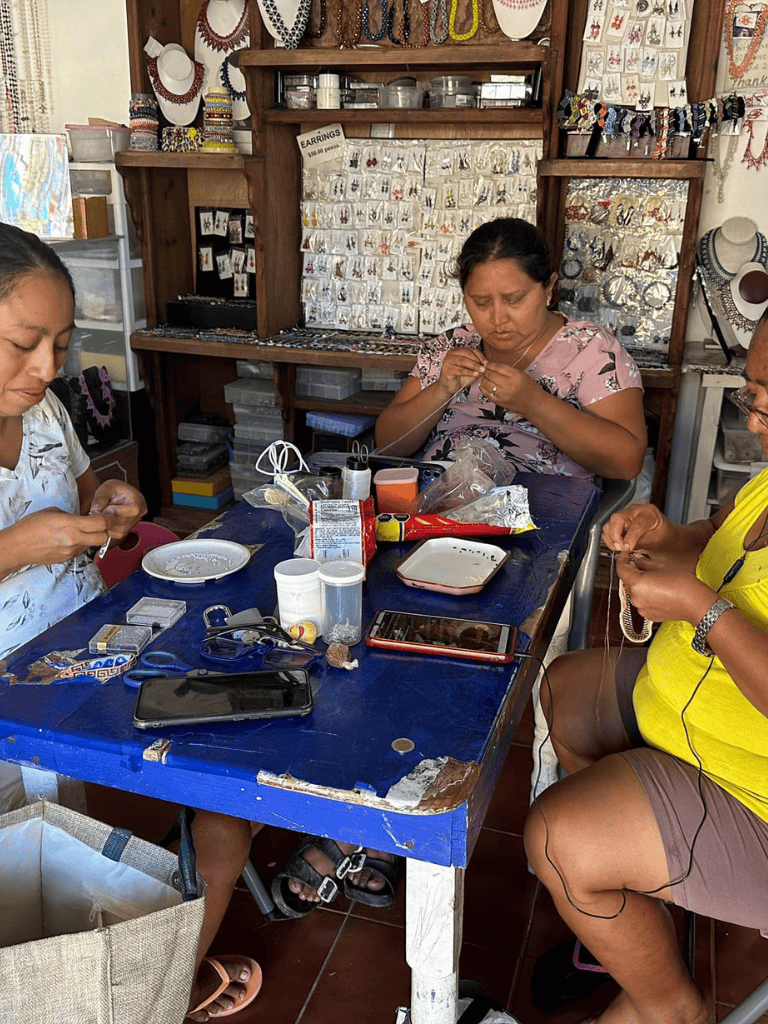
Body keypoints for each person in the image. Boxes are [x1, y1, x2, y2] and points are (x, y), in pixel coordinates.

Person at [0, 223, 259, 1022]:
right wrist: (12, 549)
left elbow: (82, 495)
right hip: (17, 696)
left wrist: (112, 505)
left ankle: (163, 980)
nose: (47, 368)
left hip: (97, 645)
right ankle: (123, 979)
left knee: (235, 773)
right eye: (22, 344)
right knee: (52, 863)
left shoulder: (43, 412)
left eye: (62, 344)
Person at [524, 309, 768, 1024]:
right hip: (692, 704)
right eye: (754, 393)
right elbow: (723, 546)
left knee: (556, 837)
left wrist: (699, 608)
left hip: (751, 788)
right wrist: (669, 535)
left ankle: (668, 1004)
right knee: (566, 689)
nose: (755, 421)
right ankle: (625, 909)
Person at [375, 217, 647, 481]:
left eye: (513, 300)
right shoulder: (450, 346)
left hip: (540, 511)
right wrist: (441, 390)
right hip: (436, 504)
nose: (497, 318)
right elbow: (388, 445)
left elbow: (627, 463)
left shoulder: (592, 351)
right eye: (481, 302)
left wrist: (534, 403)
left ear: (549, 288)